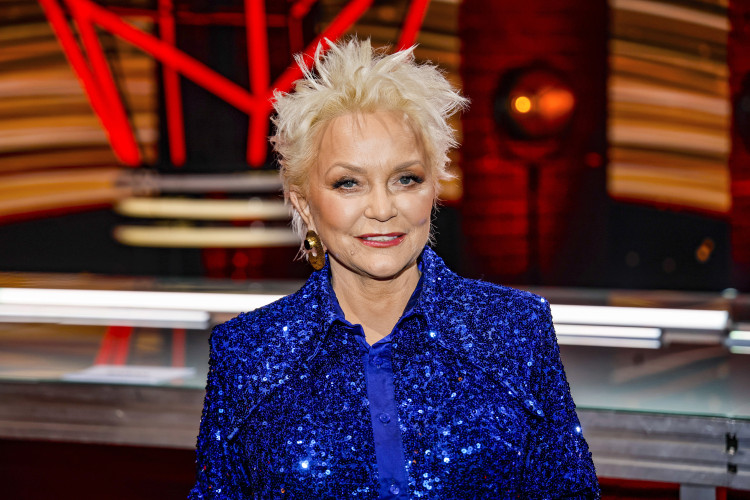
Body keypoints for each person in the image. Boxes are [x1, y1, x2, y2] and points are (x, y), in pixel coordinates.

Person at [190, 37, 600, 499]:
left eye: (406, 179)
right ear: (304, 205)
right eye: (349, 183)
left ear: (433, 189)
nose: (383, 209)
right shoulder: (246, 353)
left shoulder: (514, 329)